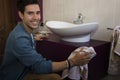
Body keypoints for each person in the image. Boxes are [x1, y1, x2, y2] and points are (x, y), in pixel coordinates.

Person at [0, 0, 91, 80]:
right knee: (55, 78)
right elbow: (39, 66)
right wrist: (72, 62)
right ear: (21, 14)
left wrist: (33, 38)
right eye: (30, 13)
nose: (36, 17)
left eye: (38, 12)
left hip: (26, 70)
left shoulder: (25, 31)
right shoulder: (19, 38)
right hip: (17, 77)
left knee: (54, 77)